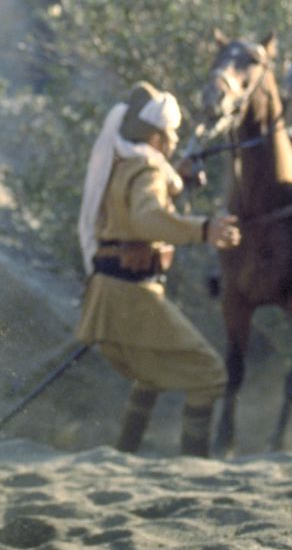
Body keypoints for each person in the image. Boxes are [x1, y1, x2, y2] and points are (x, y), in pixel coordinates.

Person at [76, 81, 241, 457]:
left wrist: (176, 181)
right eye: (170, 134)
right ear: (155, 137)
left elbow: (137, 205)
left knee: (151, 375)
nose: (174, 140)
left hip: (112, 290)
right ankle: (194, 466)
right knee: (208, 373)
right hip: (132, 294)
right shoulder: (148, 170)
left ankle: (125, 454)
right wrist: (205, 229)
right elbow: (148, 218)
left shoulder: (127, 163)